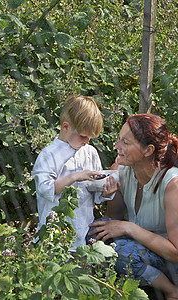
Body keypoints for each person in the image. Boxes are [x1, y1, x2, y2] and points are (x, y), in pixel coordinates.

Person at [88, 113, 178, 300]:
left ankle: (173, 292)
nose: (117, 147)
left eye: (125, 142)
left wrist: (129, 227)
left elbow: (177, 253)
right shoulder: (122, 168)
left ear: (148, 150)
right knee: (95, 233)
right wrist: (112, 193)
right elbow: (113, 220)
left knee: (122, 252)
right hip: (143, 247)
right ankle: (142, 281)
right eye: (119, 140)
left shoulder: (174, 184)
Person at [32, 95, 116, 249]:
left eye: (90, 138)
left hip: (83, 231)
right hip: (53, 235)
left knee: (80, 268)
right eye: (83, 136)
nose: (86, 142)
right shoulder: (49, 155)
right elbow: (45, 189)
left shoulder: (90, 152)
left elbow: (95, 196)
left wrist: (105, 191)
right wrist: (76, 176)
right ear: (66, 127)